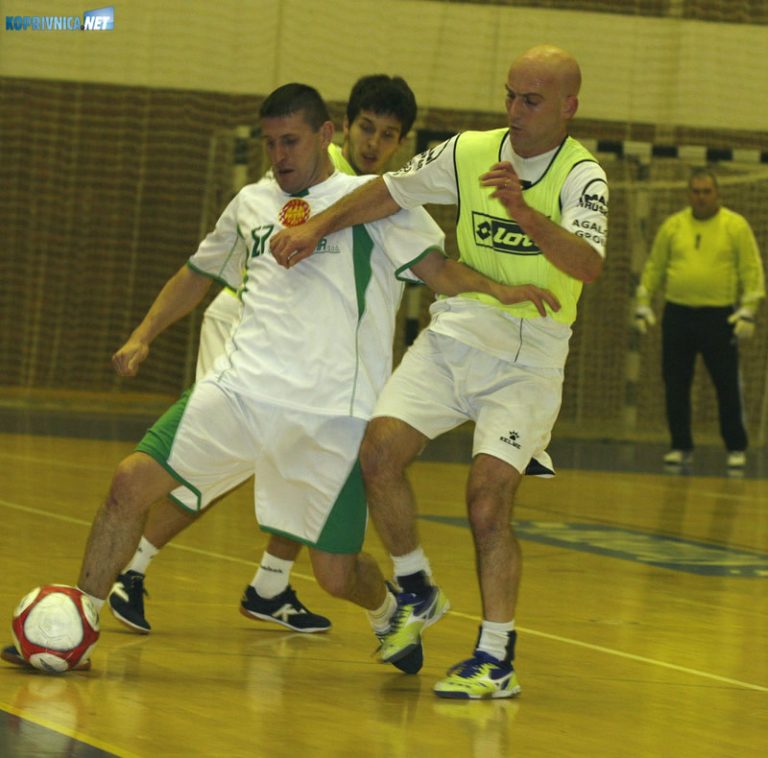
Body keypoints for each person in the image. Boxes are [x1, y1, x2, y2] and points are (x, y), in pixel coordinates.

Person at [3, 83, 560, 673]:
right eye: (270, 143)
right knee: (127, 485)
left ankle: (390, 607)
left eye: (290, 140)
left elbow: (440, 271)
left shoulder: (373, 201)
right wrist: (144, 334)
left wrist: (500, 289)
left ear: (325, 135)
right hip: (237, 394)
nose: (279, 154)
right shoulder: (250, 202)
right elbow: (198, 273)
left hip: (331, 417)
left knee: (334, 573)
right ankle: (76, 628)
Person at [270, 45, 608, 699]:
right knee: (379, 453)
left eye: (530, 100)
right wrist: (316, 225)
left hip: (532, 352)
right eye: (509, 94)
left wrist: (525, 214)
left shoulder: (582, 175)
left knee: (487, 503)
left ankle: (494, 658)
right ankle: (417, 588)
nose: (514, 110)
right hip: (457, 330)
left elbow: (588, 266)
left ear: (568, 106)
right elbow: (387, 192)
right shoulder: (470, 151)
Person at [108, 75, 419, 637]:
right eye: (366, 128)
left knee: (299, 458)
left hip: (305, 359)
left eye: (388, 135)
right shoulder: (307, 182)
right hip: (248, 332)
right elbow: (215, 263)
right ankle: (132, 568)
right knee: (223, 459)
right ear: (339, 129)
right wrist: (144, 332)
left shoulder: (376, 195)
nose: (374, 143)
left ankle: (271, 584)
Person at [634, 168, 765, 468]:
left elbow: (752, 268)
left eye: (707, 191)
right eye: (696, 191)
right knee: (676, 383)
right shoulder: (673, 226)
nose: (701, 197)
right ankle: (680, 446)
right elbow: (654, 266)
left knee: (727, 383)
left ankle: (736, 447)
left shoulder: (735, 226)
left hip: (719, 317)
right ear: (688, 194)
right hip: (677, 315)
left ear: (718, 194)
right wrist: (643, 302)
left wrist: (749, 310)